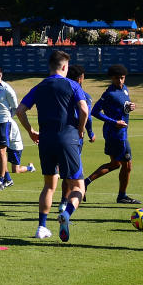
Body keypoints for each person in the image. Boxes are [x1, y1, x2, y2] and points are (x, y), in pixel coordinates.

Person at [15, 50, 88, 242]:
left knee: (49, 185)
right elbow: (84, 109)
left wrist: (31, 131)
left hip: (46, 140)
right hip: (68, 139)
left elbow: (20, 110)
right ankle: (66, 213)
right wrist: (80, 129)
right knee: (78, 186)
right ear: (65, 67)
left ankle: (42, 227)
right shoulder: (72, 84)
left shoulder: (40, 86)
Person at [84, 64, 140, 205]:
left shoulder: (125, 89)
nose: (120, 81)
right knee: (127, 166)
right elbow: (95, 112)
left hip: (120, 132)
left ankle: (85, 182)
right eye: (116, 78)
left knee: (115, 164)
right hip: (116, 134)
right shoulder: (109, 93)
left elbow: (122, 108)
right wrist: (114, 122)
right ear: (111, 78)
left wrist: (130, 107)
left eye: (122, 78)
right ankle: (122, 196)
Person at [61, 65, 95, 209]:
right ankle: (70, 199)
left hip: (60, 133)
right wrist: (90, 132)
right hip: (75, 135)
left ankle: (64, 199)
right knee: (73, 169)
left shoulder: (61, 94)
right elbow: (87, 116)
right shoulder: (84, 95)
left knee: (64, 169)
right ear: (80, 78)